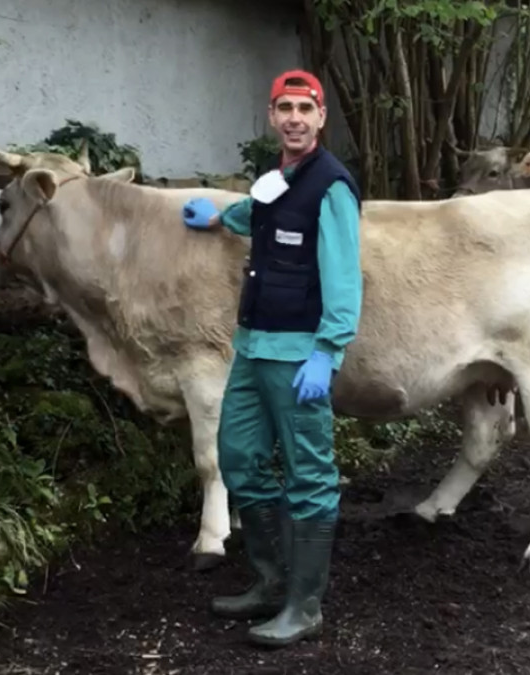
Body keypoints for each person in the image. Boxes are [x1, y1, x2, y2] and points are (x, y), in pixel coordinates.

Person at [180, 69, 363, 648]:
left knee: (310, 475)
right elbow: (257, 216)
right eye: (284, 108)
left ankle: (304, 606)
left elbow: (343, 276)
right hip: (252, 347)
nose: (294, 119)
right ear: (272, 115)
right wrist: (217, 217)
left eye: (305, 109)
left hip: (298, 353)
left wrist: (328, 351)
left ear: (321, 117)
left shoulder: (332, 185)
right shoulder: (275, 179)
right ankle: (268, 582)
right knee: (238, 457)